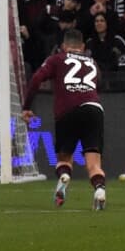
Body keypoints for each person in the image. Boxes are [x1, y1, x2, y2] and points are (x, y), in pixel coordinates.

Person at [20, 28, 107, 211]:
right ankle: (99, 190)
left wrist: (27, 106)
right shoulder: (91, 61)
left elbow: (36, 79)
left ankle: (64, 177)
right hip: (94, 109)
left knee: (64, 158)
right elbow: (99, 83)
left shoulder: (57, 59)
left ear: (63, 46)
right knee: (94, 163)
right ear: (82, 47)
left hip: (68, 111)